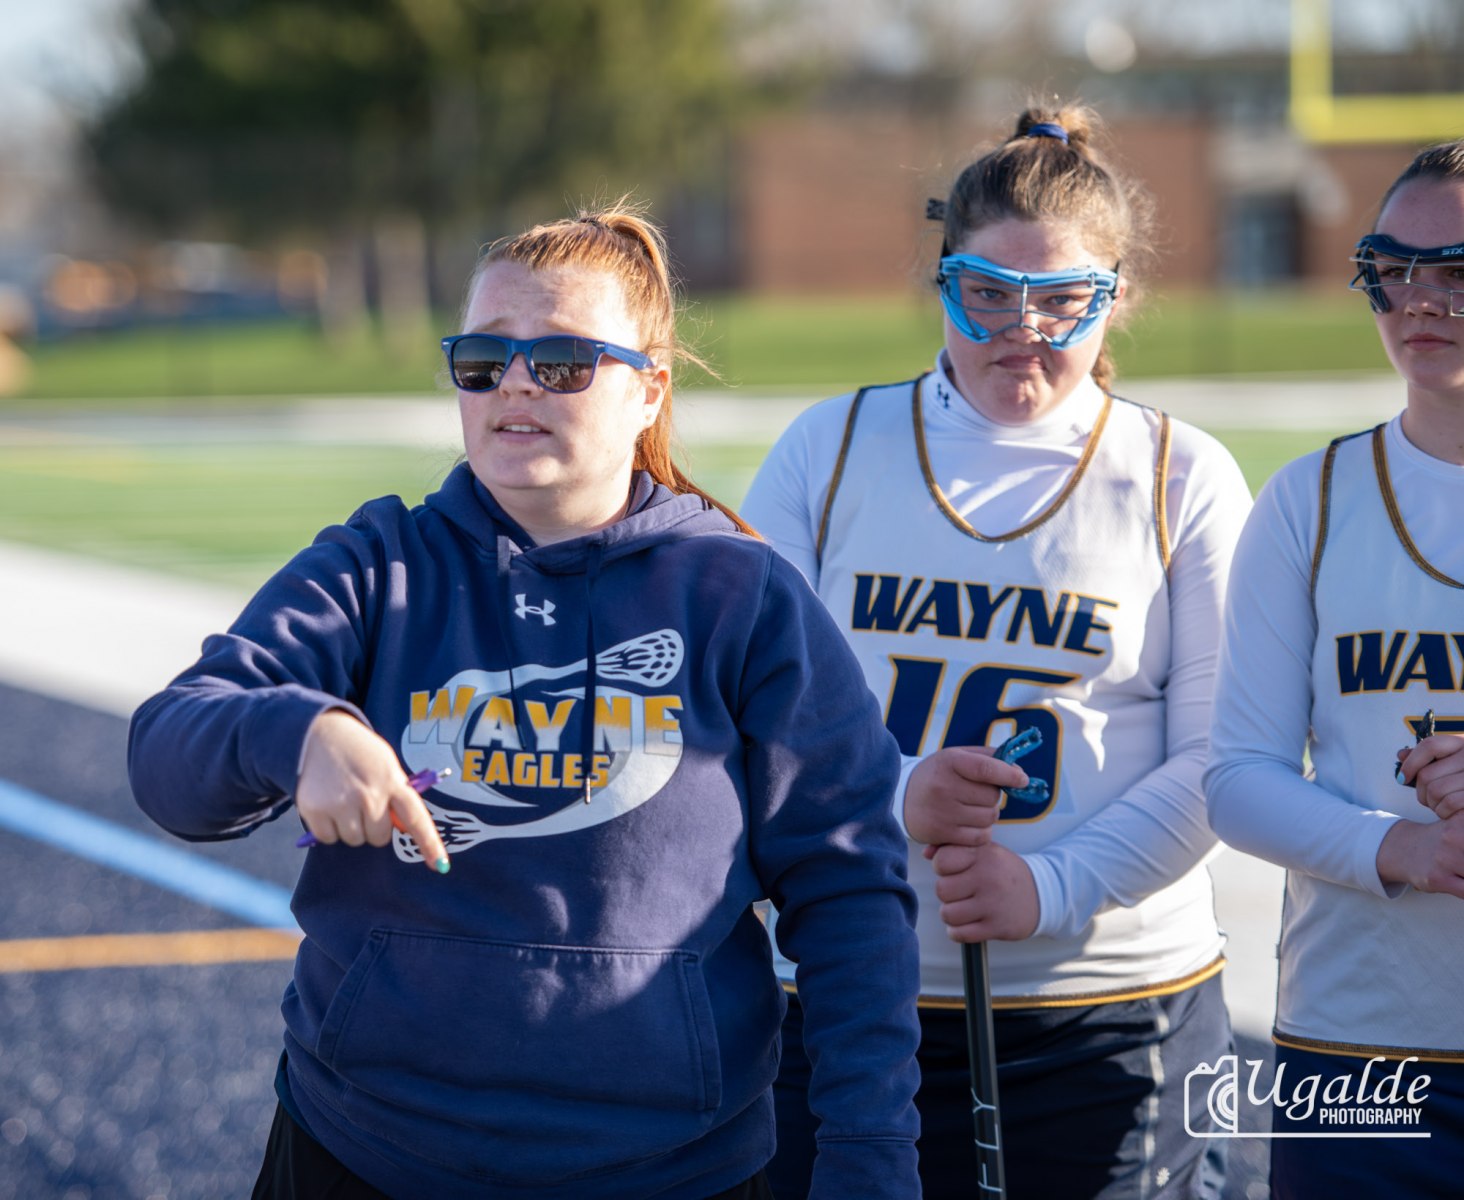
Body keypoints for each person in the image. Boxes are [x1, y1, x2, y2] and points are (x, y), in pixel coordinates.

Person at [128, 202, 922, 1200]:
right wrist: (299, 729)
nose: (514, 382)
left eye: (562, 360)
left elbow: (850, 894)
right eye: (483, 359)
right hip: (366, 1156)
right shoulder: (377, 565)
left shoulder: (744, 598)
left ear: (649, 390)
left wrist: (869, 1159)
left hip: (673, 1176)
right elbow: (168, 755)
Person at [741, 104, 1254, 1199]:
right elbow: (746, 718)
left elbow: (1224, 760)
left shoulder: (1184, 475)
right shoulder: (829, 450)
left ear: (1117, 296)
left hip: (1114, 1019)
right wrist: (892, 796)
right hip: (844, 999)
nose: (1023, 329)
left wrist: (1050, 886)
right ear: (942, 282)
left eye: (1064, 299)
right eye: (987, 293)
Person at [1206, 142, 1464, 1197]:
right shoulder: (1307, 501)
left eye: (1456, 271)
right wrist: (1405, 849)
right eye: (1391, 269)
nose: (1419, 300)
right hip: (1358, 1048)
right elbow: (1239, 780)